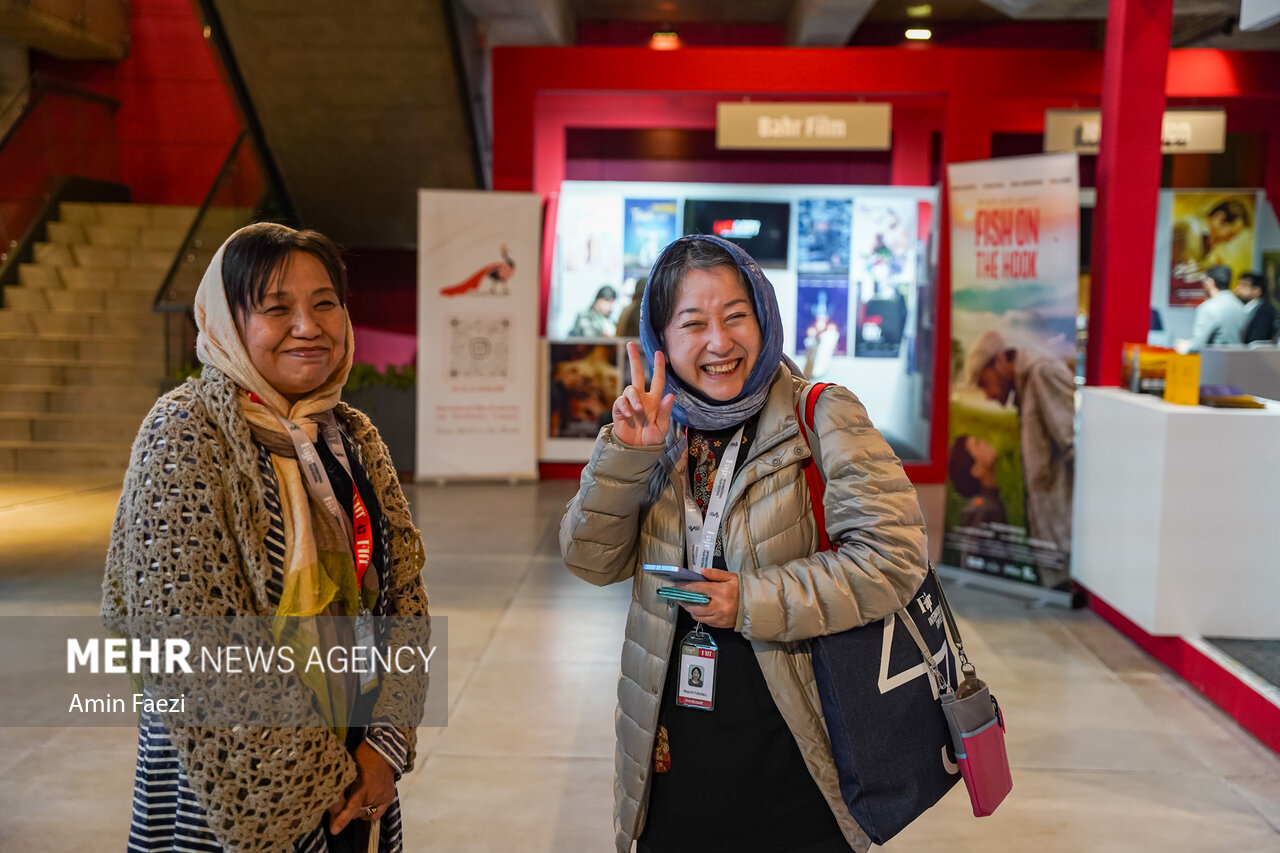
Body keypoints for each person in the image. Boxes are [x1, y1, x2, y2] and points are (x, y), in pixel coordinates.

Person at [560, 234, 928, 853]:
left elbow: (894, 559)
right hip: (671, 746)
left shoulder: (822, 415)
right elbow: (588, 560)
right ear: (661, 338)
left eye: (736, 316)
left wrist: (750, 600)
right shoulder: (651, 428)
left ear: (765, 316)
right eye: (693, 323)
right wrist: (630, 453)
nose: (719, 342)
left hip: (797, 750)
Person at [102, 223, 430, 853]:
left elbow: (404, 600)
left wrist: (383, 748)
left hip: (358, 756)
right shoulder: (185, 433)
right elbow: (190, 640)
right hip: (230, 775)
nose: (308, 326)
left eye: (325, 303)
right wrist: (311, 779)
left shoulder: (353, 435)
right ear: (227, 322)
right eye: (277, 308)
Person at [966, 329, 1074, 588]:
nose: (988, 395)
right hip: (1051, 538)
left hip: (1064, 536)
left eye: (984, 383)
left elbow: (1074, 444)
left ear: (1001, 360)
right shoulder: (1026, 385)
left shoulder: (1042, 373)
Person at [1181, 265, 1246, 352]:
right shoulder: (1240, 306)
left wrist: (1185, 347)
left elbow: (1198, 345)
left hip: (1216, 361)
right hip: (1237, 361)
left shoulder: (1208, 307)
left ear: (1210, 282)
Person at [948, 434, 1006, 527]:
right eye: (978, 443)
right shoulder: (983, 509)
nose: (984, 440)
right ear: (977, 470)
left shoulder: (986, 504)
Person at [1235, 271, 1278, 344]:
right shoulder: (1245, 309)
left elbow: (1256, 342)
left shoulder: (1264, 312)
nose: (1238, 288)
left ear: (1257, 291)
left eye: (1244, 285)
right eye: (1239, 284)